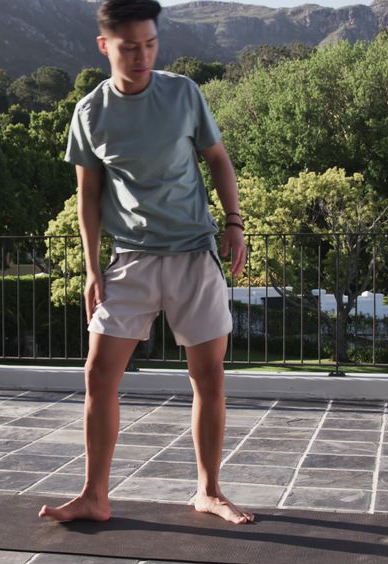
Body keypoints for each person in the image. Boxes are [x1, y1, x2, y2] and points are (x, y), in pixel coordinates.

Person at [38, 0, 254, 525]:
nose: (142, 56)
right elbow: (88, 198)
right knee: (98, 375)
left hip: (192, 256)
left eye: (151, 45)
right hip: (129, 260)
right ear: (104, 46)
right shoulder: (89, 113)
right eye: (130, 46)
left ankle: (208, 490)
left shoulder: (183, 93)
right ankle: (94, 495)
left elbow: (219, 160)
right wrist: (91, 268)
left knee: (208, 377)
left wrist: (234, 222)